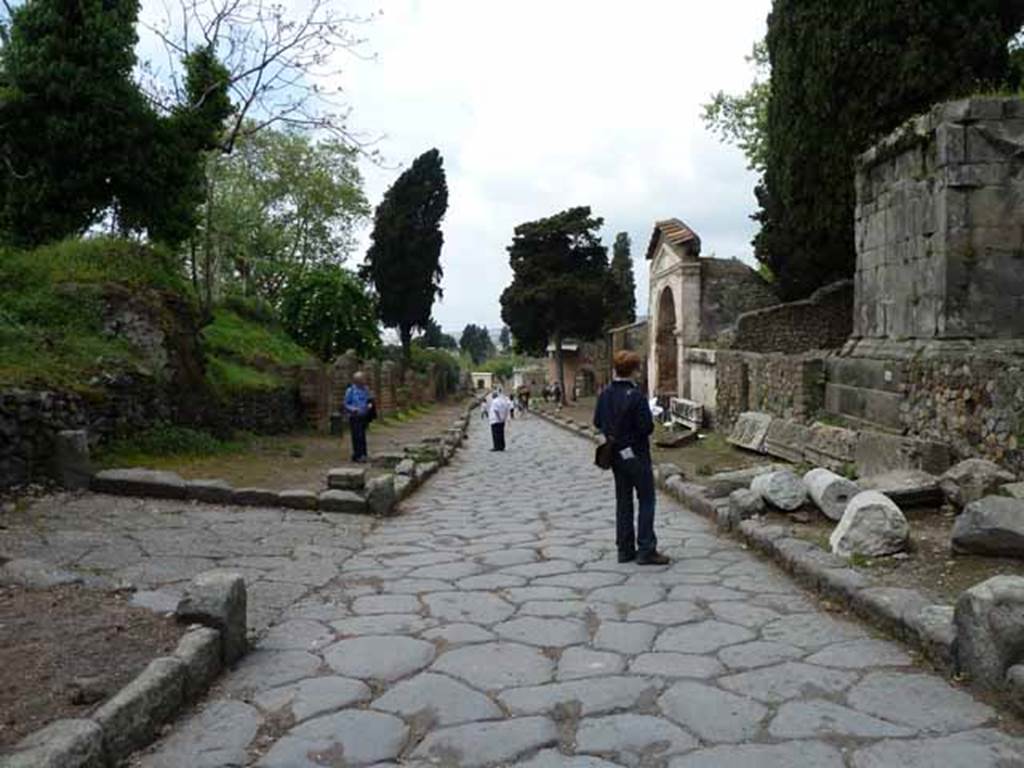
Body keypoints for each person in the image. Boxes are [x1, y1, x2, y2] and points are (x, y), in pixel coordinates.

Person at [593, 351, 670, 566]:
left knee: (623, 500)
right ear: (634, 370)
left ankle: (625, 549)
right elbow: (646, 427)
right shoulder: (636, 396)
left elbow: (597, 421)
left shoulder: (605, 394)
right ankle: (646, 548)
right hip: (636, 453)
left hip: (615, 454)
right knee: (646, 499)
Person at [344, 371, 373, 463]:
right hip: (355, 416)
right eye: (362, 379)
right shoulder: (350, 390)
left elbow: (369, 400)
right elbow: (346, 404)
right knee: (357, 436)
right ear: (357, 381)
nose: (364, 381)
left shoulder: (366, 389)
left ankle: (363, 454)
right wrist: (353, 409)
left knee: (362, 435)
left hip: (364, 415)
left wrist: (369, 405)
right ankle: (357, 455)